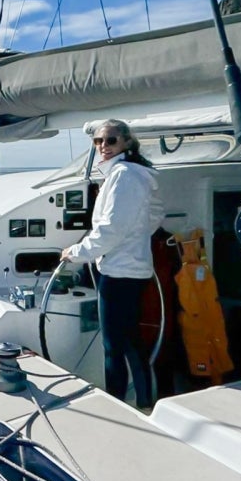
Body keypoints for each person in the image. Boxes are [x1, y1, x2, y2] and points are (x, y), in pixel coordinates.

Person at [60, 119, 163, 408]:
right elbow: (154, 214)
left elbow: (111, 229)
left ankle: (116, 405)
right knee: (131, 341)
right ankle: (145, 400)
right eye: (98, 141)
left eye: (111, 140)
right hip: (133, 269)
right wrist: (136, 238)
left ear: (128, 143)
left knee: (113, 347)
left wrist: (76, 252)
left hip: (119, 273)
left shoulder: (124, 175)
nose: (103, 146)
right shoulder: (136, 174)